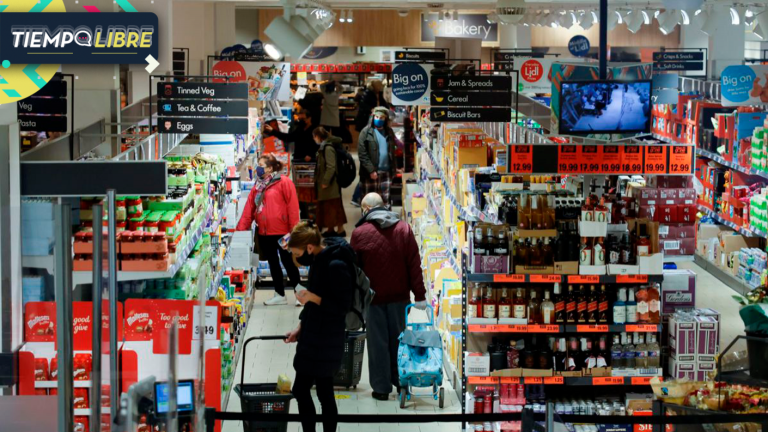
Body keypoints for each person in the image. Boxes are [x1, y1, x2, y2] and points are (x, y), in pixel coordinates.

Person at [350, 193, 426, 401]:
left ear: (365, 209)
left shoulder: (359, 233)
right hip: (400, 298)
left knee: (377, 345)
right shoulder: (404, 229)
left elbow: (355, 270)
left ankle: (381, 389)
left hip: (373, 300)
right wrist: (419, 295)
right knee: (400, 341)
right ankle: (401, 382)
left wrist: (354, 301)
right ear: (384, 206)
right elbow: (414, 265)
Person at [284, 222, 355, 432]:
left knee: (304, 390)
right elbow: (314, 305)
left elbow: (343, 306)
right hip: (313, 336)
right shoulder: (318, 262)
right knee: (322, 392)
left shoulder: (335, 265)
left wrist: (314, 298)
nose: (297, 259)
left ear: (309, 247)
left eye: (297, 253)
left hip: (326, 339)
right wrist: (300, 327)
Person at [236, 154, 301, 306]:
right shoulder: (257, 186)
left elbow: (293, 207)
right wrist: (240, 231)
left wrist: (294, 230)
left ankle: (300, 293)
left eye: (261, 165)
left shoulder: (284, 182)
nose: (257, 168)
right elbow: (249, 210)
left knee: (288, 262)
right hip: (264, 232)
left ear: (270, 168)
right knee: (273, 263)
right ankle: (279, 294)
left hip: (283, 231)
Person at [358, 106, 397, 206]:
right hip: (370, 174)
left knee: (385, 203)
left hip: (386, 173)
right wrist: (371, 170)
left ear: (385, 119)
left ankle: (385, 221)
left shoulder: (389, 132)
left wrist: (394, 168)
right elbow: (362, 154)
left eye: (381, 118)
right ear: (373, 117)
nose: (378, 119)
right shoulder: (365, 132)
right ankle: (369, 222)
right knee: (369, 204)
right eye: (377, 117)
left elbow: (392, 151)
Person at [313, 127, 348, 238]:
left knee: (332, 207)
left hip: (330, 185)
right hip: (328, 185)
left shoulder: (327, 148)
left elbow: (331, 167)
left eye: (314, 137)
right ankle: (333, 229)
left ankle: (335, 230)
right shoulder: (325, 147)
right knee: (331, 207)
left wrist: (325, 181)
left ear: (318, 137)